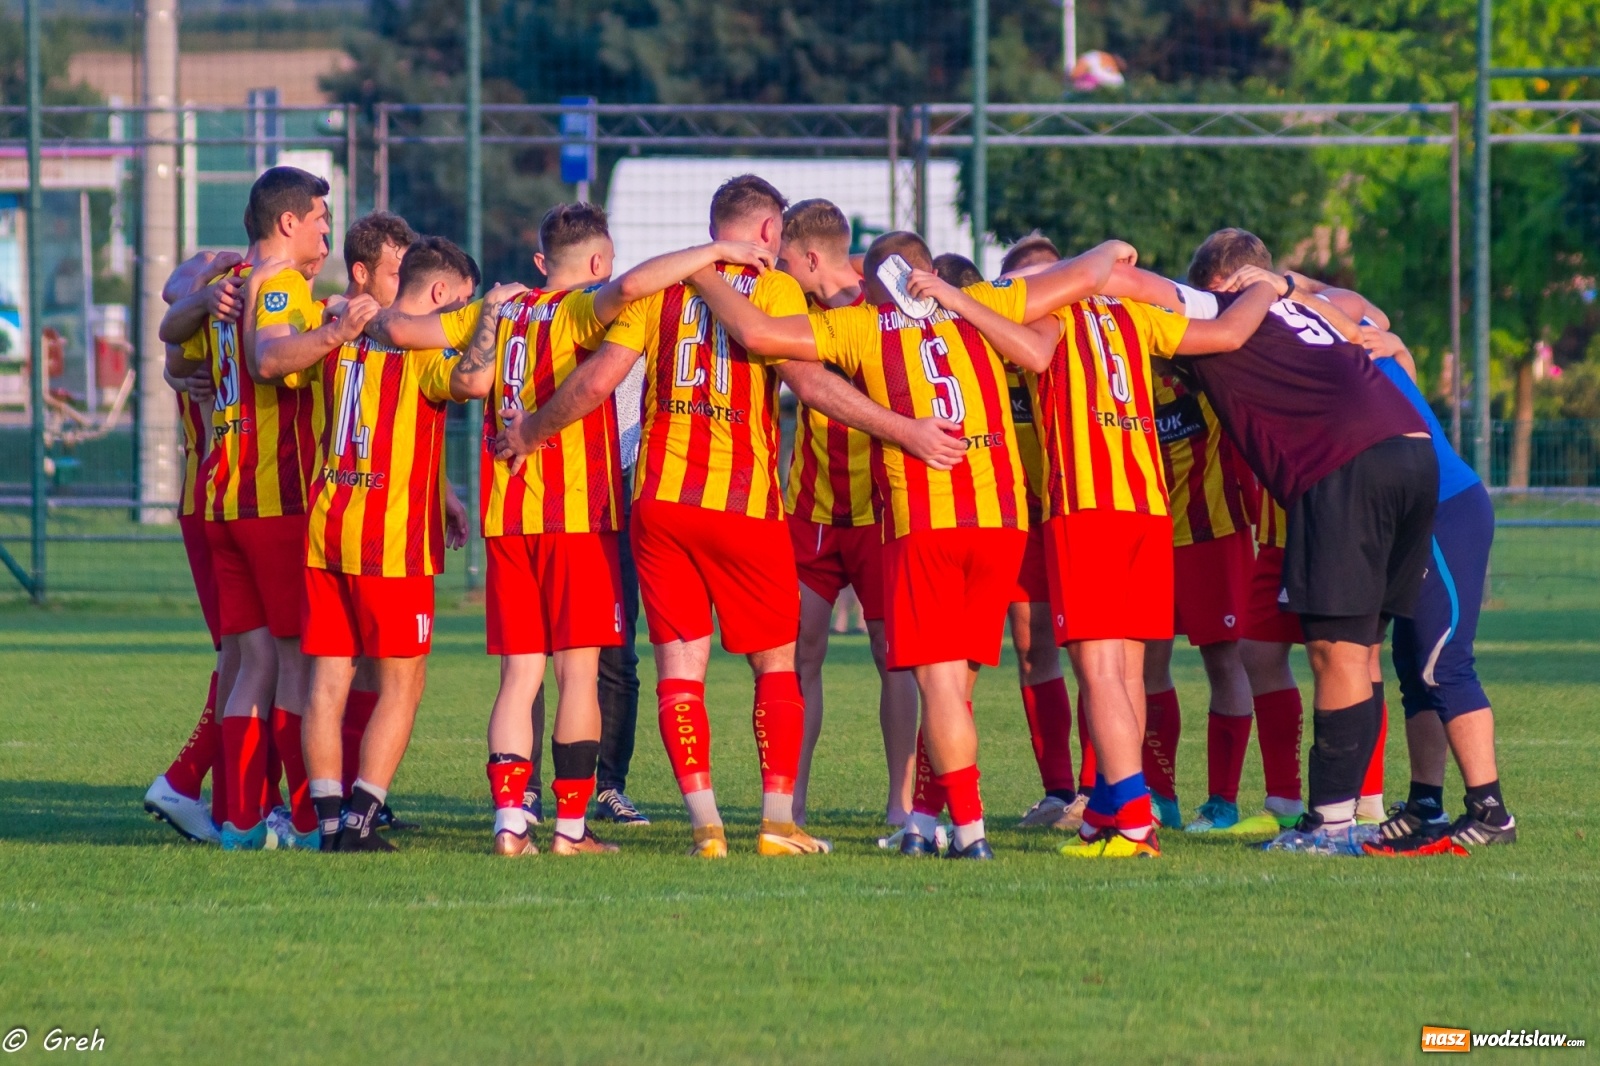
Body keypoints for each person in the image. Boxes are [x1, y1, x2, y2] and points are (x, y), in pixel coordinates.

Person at [493, 177, 967, 858]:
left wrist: (531, 428)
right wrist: (903, 430)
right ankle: (777, 821)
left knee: (680, 669)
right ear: (770, 232)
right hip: (743, 508)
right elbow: (808, 384)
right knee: (776, 666)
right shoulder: (773, 290)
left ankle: (706, 826)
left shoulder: (662, 286)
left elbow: (598, 381)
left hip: (660, 504)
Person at [688, 230, 1156, 859]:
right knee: (955, 689)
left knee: (937, 689)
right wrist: (1111, 249)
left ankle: (970, 833)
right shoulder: (985, 300)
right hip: (1002, 522)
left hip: (925, 521)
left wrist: (701, 274)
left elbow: (761, 335)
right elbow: (1086, 274)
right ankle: (924, 817)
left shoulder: (864, 326)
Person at [382, 202, 779, 855]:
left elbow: (400, 329)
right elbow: (629, 290)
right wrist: (714, 253)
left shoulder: (501, 310)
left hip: (507, 520)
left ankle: (510, 823)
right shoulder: (578, 311)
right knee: (579, 673)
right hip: (577, 517)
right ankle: (570, 830)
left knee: (518, 678)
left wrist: (478, 315)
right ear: (596, 263)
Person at [1104, 229, 1437, 855]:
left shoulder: (1218, 304)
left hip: (1345, 464)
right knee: (1360, 651)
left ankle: (1330, 824)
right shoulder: (1307, 306)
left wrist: (1101, 260)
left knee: (1334, 652)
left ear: (1215, 285)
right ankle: (1350, 814)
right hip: (1412, 455)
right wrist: (1284, 283)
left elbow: (1129, 284)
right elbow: (1364, 311)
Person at [983, 249, 1279, 860]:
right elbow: (1226, 332)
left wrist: (962, 303)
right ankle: (1111, 809)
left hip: (1088, 507)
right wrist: (1271, 288)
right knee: (1131, 670)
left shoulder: (1058, 313)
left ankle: (1134, 820)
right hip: (1148, 508)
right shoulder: (1134, 315)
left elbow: (1032, 353)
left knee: (1101, 672)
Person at [242, 235, 477, 851]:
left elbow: (278, 363)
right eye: (460, 301)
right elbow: (474, 384)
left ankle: (324, 818)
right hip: (391, 539)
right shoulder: (420, 348)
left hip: (329, 526)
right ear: (436, 293)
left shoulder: (338, 335)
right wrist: (490, 326)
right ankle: (363, 819)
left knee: (328, 680)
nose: (460, 313)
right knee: (404, 683)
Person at [162, 166, 360, 850]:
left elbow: (176, 351)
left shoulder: (232, 288)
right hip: (273, 499)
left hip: (222, 495)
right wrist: (338, 330)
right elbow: (272, 360)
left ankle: (241, 821)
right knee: (297, 662)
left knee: (250, 665)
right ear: (288, 223)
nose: (326, 231)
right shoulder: (275, 285)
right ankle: (307, 821)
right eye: (319, 219)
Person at [780, 199, 919, 833]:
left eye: (788, 258)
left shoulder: (887, 305)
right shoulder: (792, 305)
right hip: (810, 506)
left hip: (884, 507)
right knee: (799, 654)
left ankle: (900, 804)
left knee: (894, 654)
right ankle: (792, 805)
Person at [1358, 327, 1516, 854]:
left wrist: (1286, 285)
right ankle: (1426, 803)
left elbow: (1364, 314)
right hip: (1415, 515)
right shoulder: (1327, 332)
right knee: (1412, 665)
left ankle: (1492, 811)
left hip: (1445, 507)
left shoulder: (1326, 330)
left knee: (1443, 663)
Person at [972, 237, 1086, 835]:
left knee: (1096, 652)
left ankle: (1100, 789)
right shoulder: (993, 350)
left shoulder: (1081, 337)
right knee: (1031, 647)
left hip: (1082, 506)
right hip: (1022, 516)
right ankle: (1058, 790)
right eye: (1025, 289)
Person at [144, 251, 244, 844]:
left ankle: (236, 800)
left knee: (246, 654)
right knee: (250, 654)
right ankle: (188, 782)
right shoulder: (214, 335)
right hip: (220, 498)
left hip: (207, 497)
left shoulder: (194, 342)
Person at [1146, 363, 1257, 833]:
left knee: (1225, 661)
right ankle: (1159, 794)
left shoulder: (1212, 370)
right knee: (1145, 662)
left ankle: (1222, 803)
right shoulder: (1128, 372)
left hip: (1213, 530)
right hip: (1145, 533)